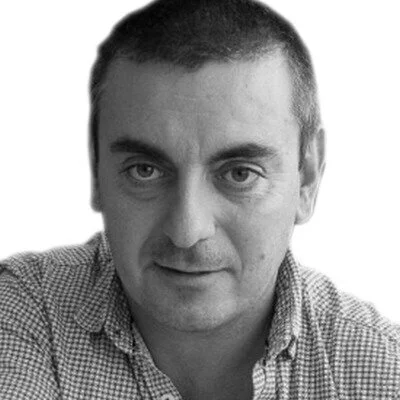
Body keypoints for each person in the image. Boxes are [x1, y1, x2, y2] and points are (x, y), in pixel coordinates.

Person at [0, 0, 399, 398]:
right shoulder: (25, 312)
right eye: (145, 170)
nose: (187, 231)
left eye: (240, 174)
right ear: (97, 171)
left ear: (307, 177)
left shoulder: (386, 373)